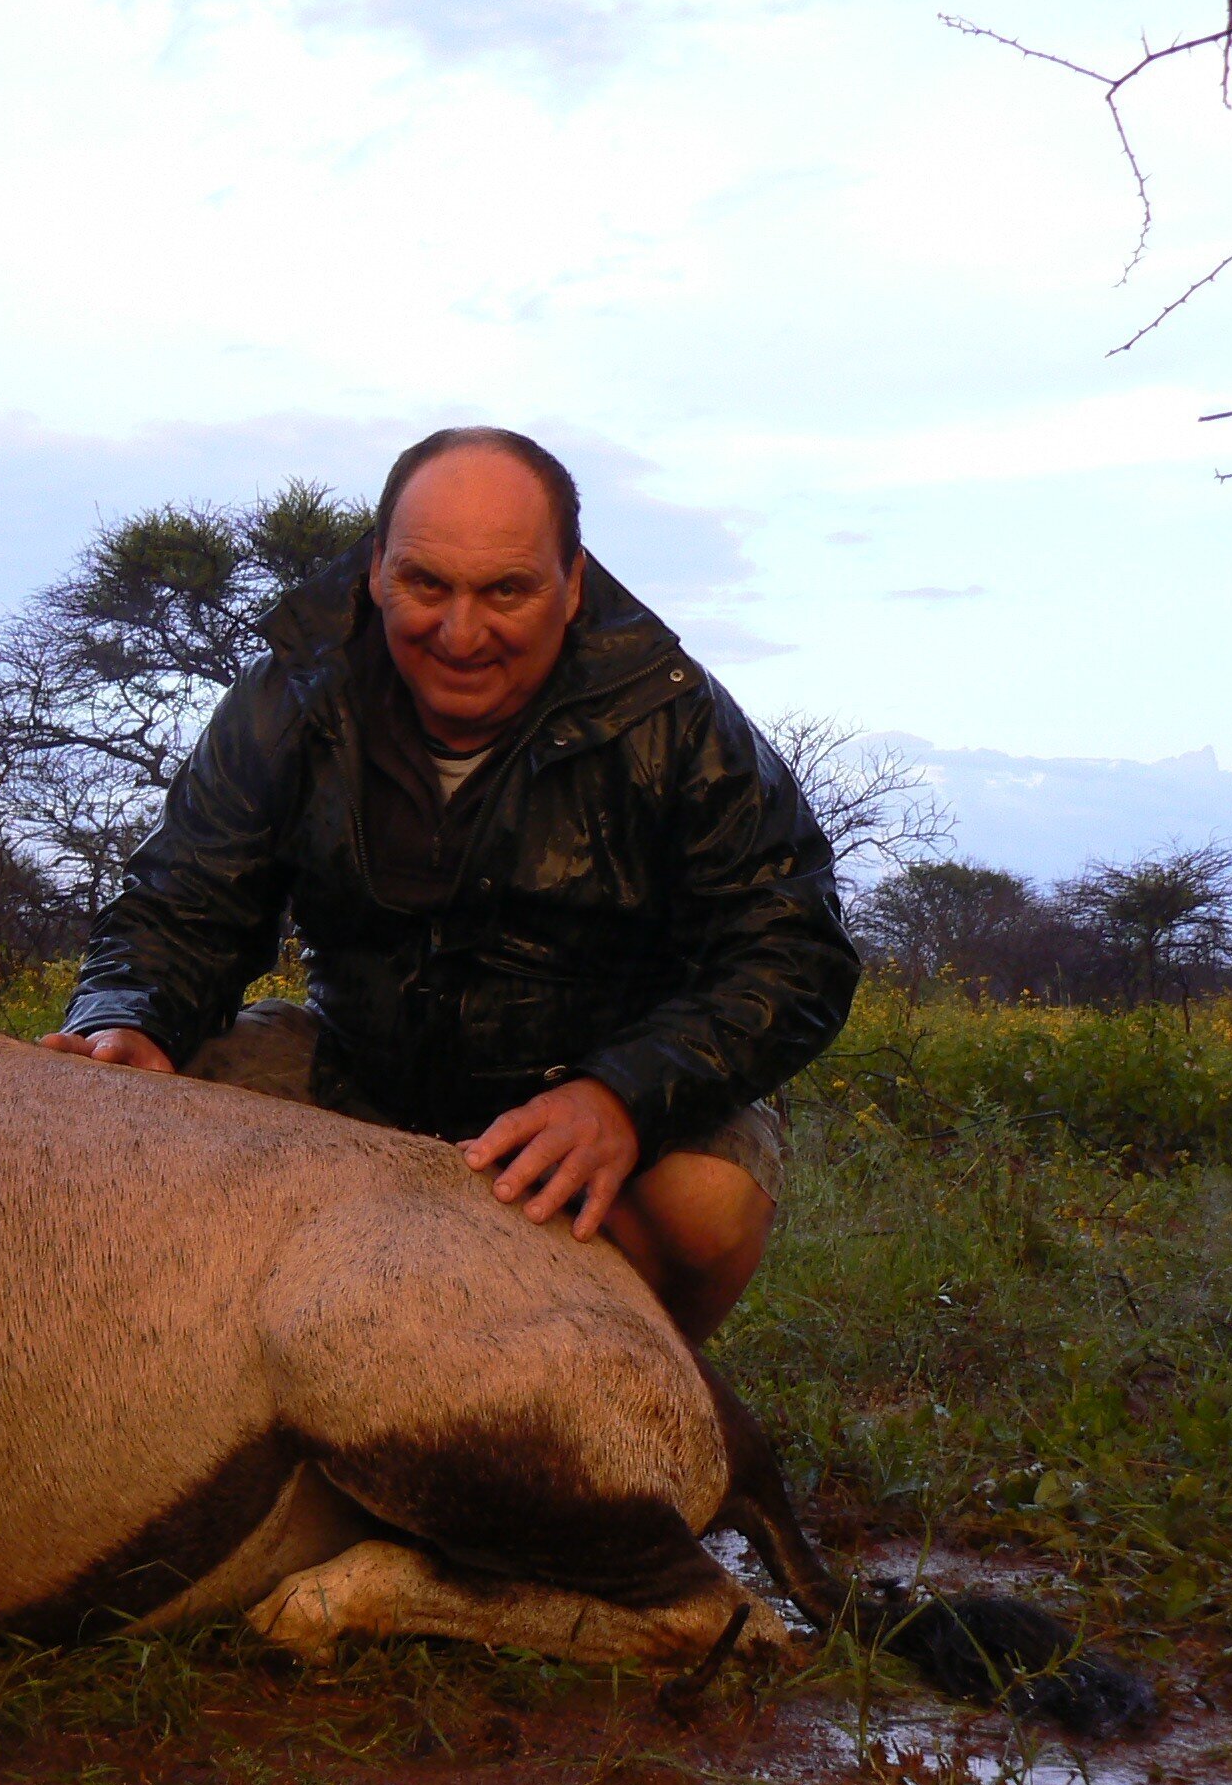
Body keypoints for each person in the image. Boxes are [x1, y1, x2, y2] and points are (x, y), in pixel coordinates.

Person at [43, 427, 859, 1346]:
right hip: (360, 1068)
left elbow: (794, 949)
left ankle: (642, 1397)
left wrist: (622, 1096)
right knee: (106, 1114)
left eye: (505, 590)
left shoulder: (675, 717)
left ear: (572, 582)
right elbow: (183, 899)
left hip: (593, 1087)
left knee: (704, 1204)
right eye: (426, 585)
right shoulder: (288, 696)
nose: (459, 633)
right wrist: (127, 1019)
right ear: (376, 571)